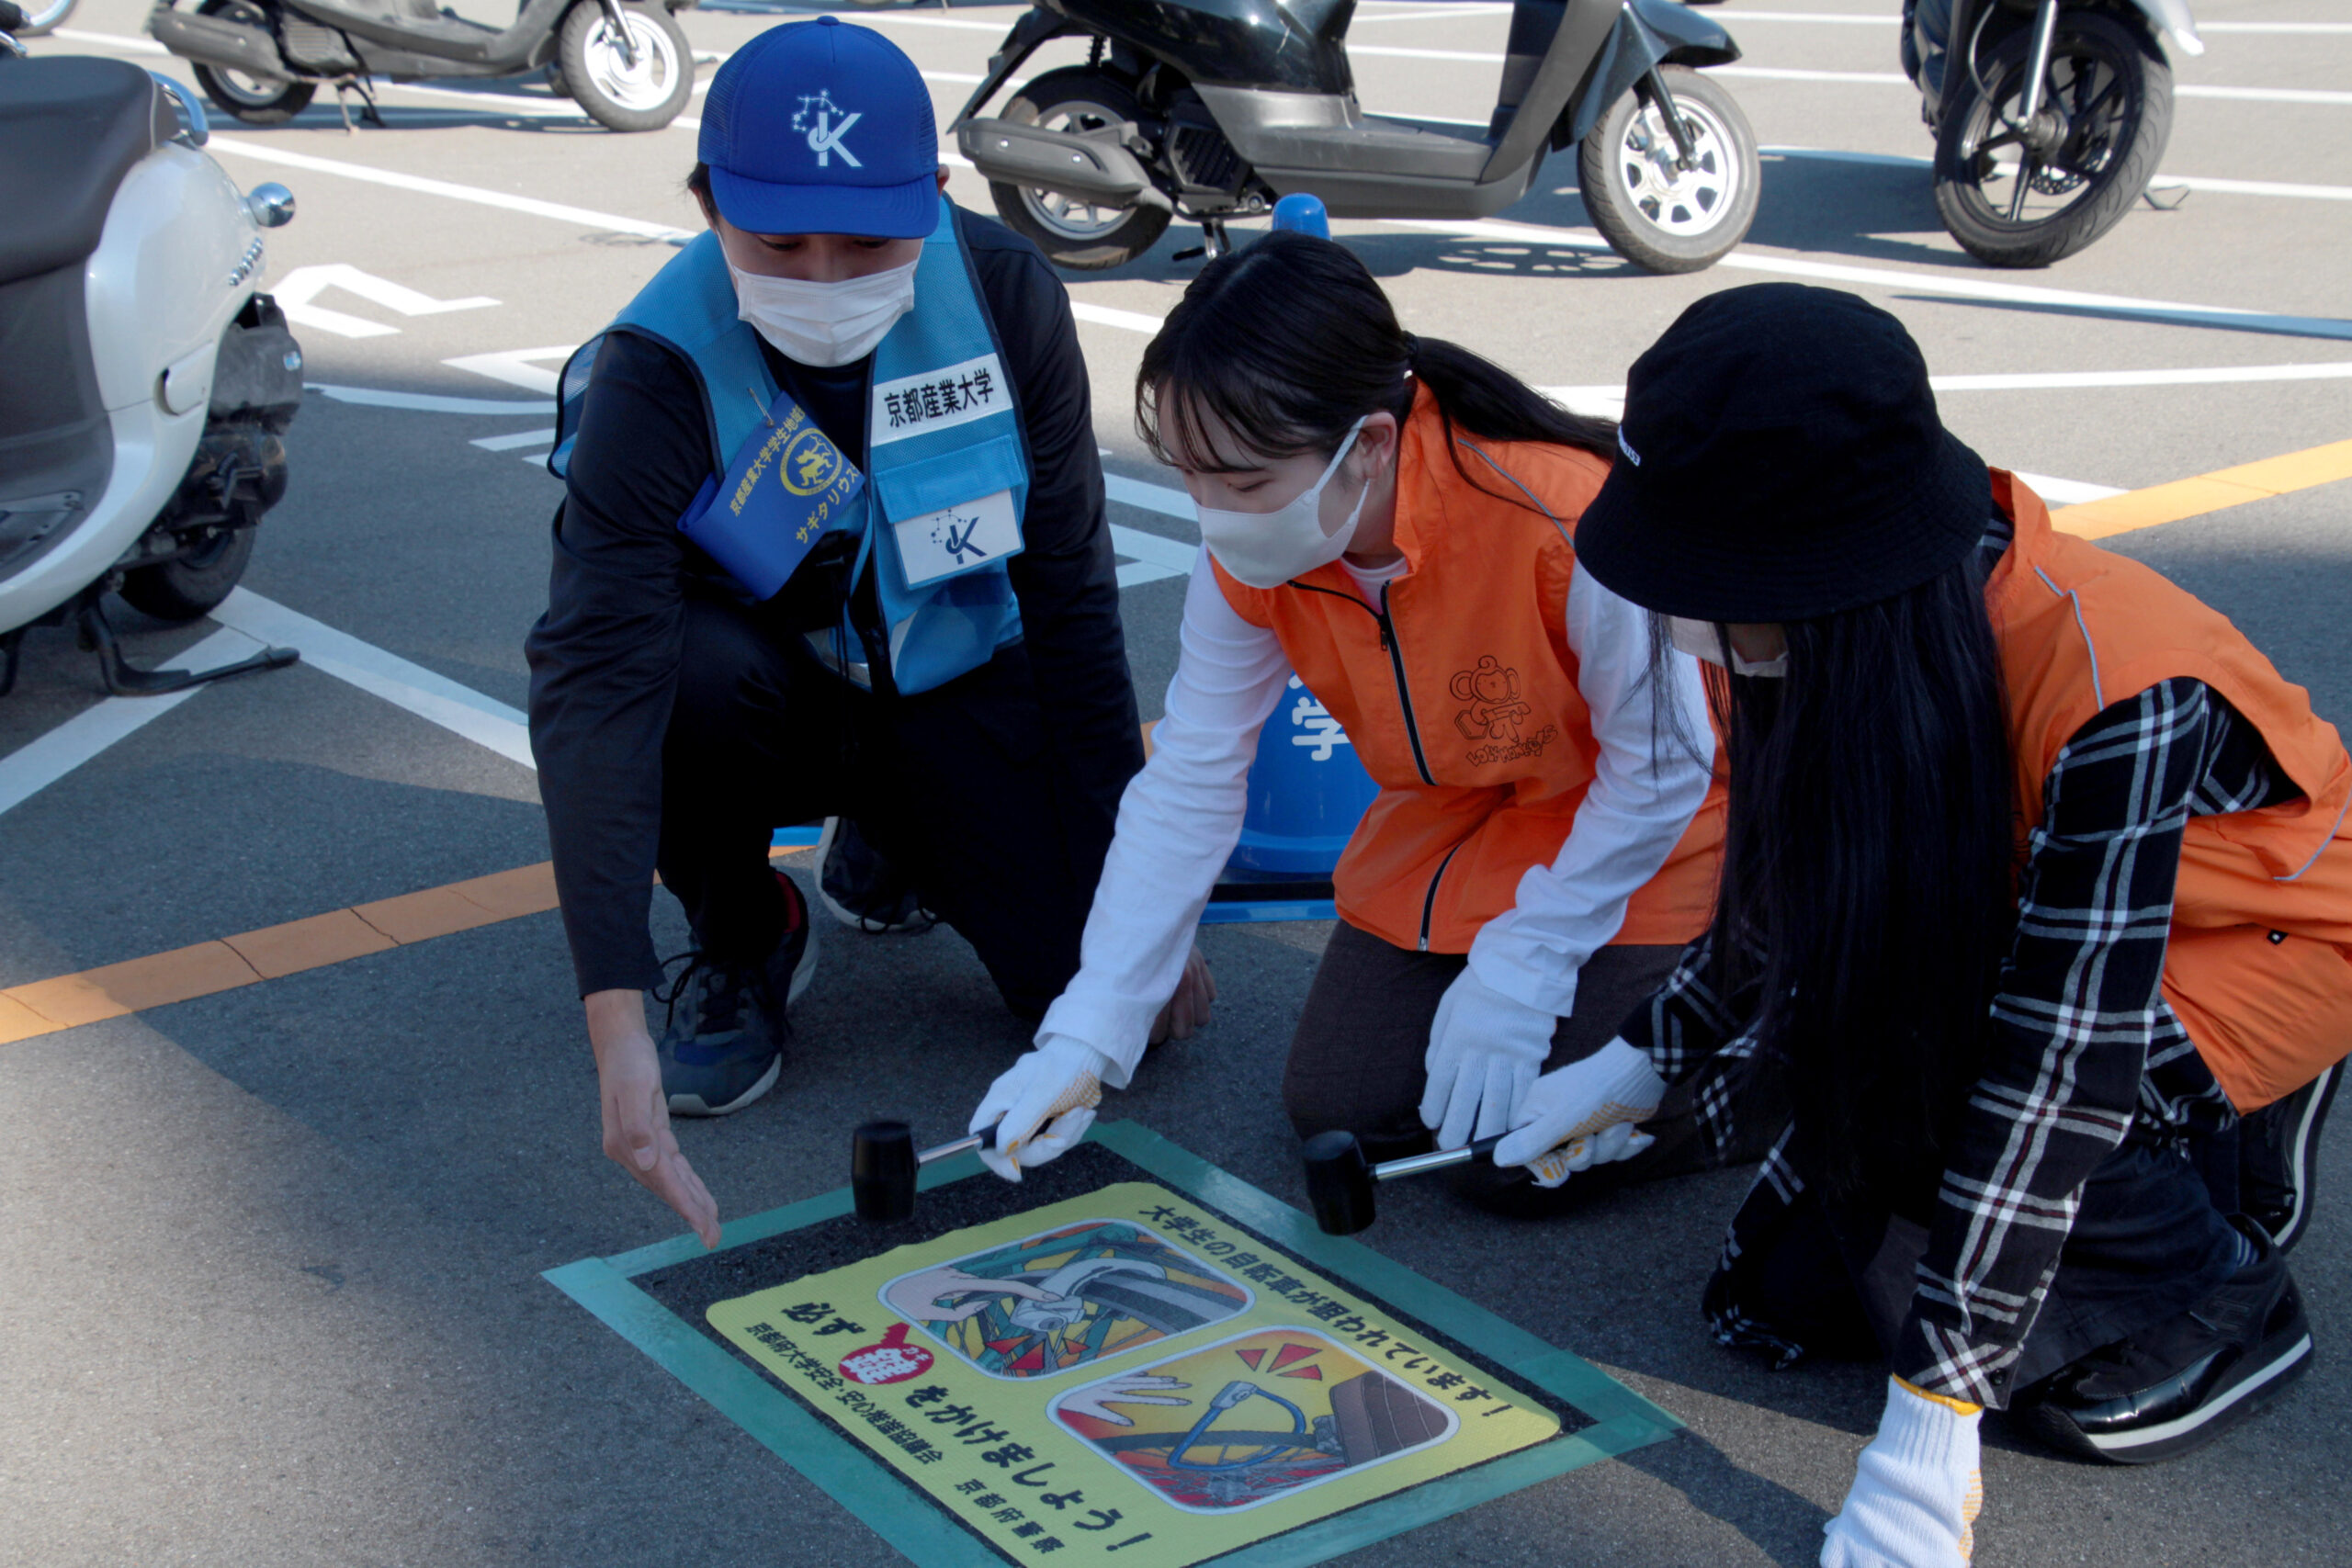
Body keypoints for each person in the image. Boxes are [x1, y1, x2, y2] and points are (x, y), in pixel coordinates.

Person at [1498, 284, 2349, 1564]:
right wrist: (1641, 1058)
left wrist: (1930, 1414)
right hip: (2041, 918)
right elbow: (1796, 877)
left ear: (1817, 565)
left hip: (2258, 935)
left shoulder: (2119, 679)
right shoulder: (1827, 628)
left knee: (1937, 1079)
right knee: (1779, 1295)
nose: (1680, 615)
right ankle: (2116, 1212)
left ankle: (2229, 1282)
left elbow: (2056, 1057)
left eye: (1707, 579)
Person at [524, 18, 1208, 1247]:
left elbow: (1068, 600)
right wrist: (613, 1021)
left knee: (1116, 1016)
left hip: (951, 679)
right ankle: (746, 931)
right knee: (679, 672)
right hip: (764, 698)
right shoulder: (654, 370)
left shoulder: (1005, 299)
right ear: (706, 203)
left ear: (933, 198)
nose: (827, 278)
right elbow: (594, 691)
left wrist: (1133, 921)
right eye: (779, 242)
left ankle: (899, 840)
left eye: (870, 240)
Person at [961, 231, 1743, 1193]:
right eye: (1194, 480)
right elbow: (1193, 777)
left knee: (1509, 1158)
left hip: (1648, 836)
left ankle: (1763, 1078)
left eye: (1244, 483)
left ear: (1369, 444)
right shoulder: (1253, 552)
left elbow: (1663, 769)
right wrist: (1087, 1030)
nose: (1214, 517)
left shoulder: (1563, 521)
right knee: (1343, 1109)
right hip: (1456, 827)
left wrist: (1528, 961)